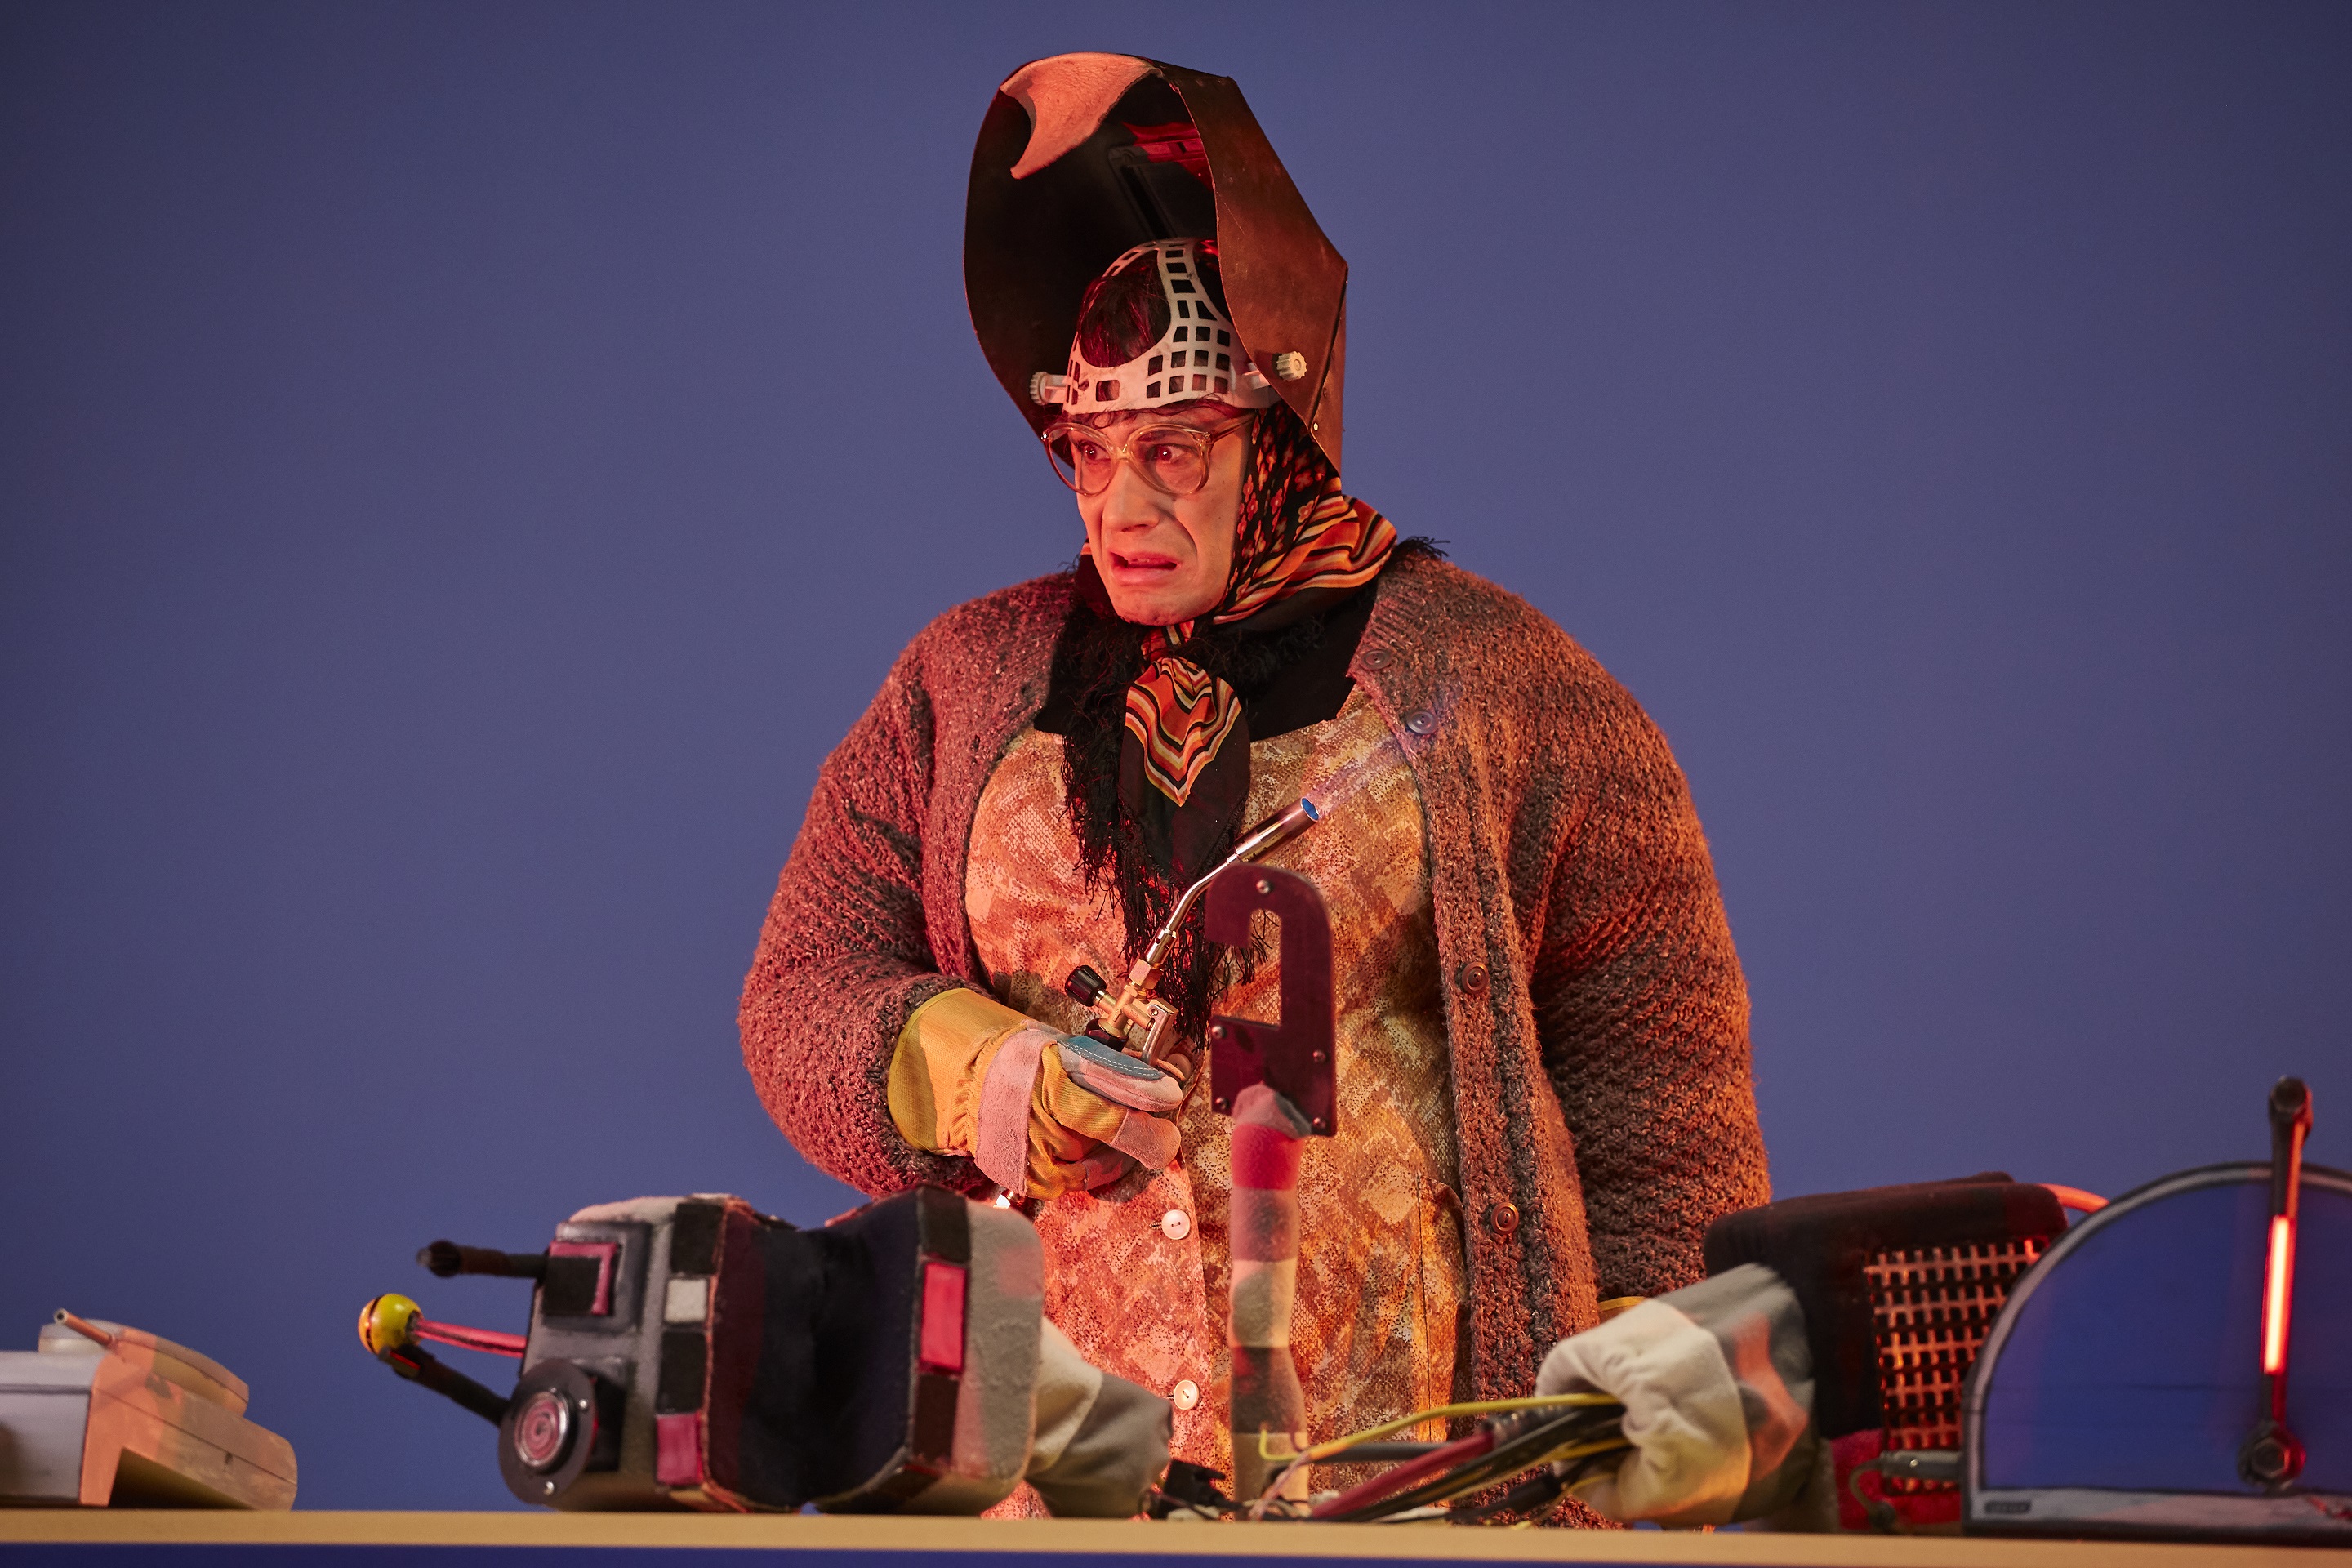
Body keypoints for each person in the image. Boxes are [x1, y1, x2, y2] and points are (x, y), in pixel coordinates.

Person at [740, 53, 1769, 1518]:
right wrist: (976, 1073)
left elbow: (1657, 1066)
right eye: (1087, 453)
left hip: (1431, 1484)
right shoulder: (964, 685)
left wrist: (1644, 1391)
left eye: (1172, 450)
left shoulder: (1498, 684)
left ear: (1277, 432)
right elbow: (802, 985)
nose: (1120, 505)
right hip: (1050, 1491)